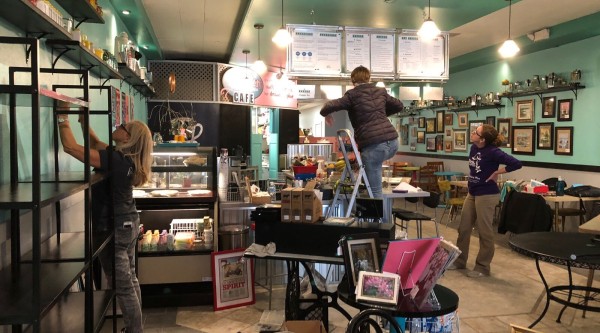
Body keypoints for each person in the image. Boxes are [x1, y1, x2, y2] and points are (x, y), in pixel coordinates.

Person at [58, 110, 153, 333]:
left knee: (123, 286)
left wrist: (62, 116)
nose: (118, 126)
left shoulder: (116, 160)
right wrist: (83, 121)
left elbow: (71, 147)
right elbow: (96, 143)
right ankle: (135, 328)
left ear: (128, 138)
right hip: (127, 223)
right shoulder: (122, 158)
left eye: (123, 126)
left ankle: (134, 330)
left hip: (114, 226)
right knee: (130, 281)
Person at [320, 66, 404, 198]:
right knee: (371, 179)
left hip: (374, 146)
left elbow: (329, 105)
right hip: (393, 143)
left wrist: (326, 114)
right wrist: (381, 115)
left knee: (375, 192)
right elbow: (399, 105)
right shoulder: (380, 91)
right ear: (368, 78)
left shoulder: (352, 95)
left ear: (353, 80)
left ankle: (377, 218)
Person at [450, 124, 522, 278]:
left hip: (487, 195)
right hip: (473, 192)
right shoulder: (473, 148)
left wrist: (497, 171)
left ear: (482, 139)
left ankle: (483, 267)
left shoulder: (493, 152)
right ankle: (459, 261)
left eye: (476, 132)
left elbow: (516, 163)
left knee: (484, 231)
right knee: (463, 228)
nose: (472, 133)